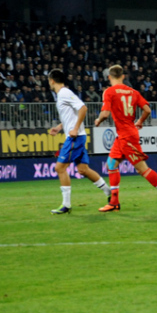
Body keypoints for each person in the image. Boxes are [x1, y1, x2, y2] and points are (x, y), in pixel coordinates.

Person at [94, 65, 157, 212]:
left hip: (127, 137)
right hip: (125, 134)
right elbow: (147, 109)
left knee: (142, 169)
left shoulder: (109, 92)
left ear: (109, 77)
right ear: (123, 77)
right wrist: (140, 121)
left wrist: (98, 121)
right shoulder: (133, 92)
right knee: (111, 164)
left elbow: (105, 114)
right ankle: (114, 202)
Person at [48, 69, 111, 215]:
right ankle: (110, 193)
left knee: (60, 168)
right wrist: (59, 127)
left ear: (52, 80)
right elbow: (72, 114)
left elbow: (83, 108)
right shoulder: (63, 94)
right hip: (79, 136)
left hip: (75, 137)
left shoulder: (64, 93)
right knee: (83, 170)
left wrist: (75, 128)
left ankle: (66, 205)